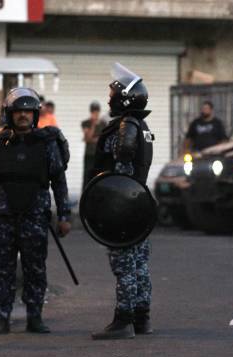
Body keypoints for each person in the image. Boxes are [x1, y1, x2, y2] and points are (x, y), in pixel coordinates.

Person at [0, 88, 71, 335]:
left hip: (34, 217)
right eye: (18, 111)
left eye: (28, 111)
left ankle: (34, 316)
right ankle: (1, 317)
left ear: (35, 114)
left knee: (34, 267)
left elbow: (58, 180)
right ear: (10, 114)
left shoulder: (47, 143)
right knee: (1, 270)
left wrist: (65, 215)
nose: (23, 115)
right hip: (1, 218)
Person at [91, 63, 154, 340]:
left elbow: (121, 172)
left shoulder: (126, 126)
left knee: (125, 265)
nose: (108, 98)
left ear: (124, 98)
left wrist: (109, 208)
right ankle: (142, 318)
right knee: (139, 263)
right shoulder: (142, 125)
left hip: (124, 207)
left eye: (112, 94)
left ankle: (123, 321)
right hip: (139, 204)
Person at [81, 101, 107, 190]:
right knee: (86, 176)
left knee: (99, 176)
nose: (95, 114)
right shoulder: (86, 123)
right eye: (93, 111)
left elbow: (103, 139)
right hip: (89, 154)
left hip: (99, 154)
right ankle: (84, 196)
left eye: (96, 111)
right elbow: (87, 138)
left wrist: (95, 139)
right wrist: (93, 124)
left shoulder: (103, 123)